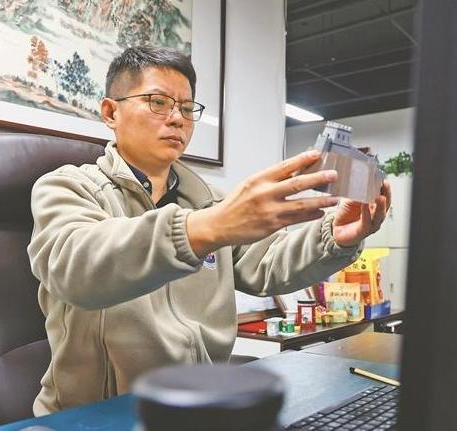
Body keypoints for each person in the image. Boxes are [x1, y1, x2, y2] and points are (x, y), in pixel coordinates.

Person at [27, 46, 391, 415]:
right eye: (158, 102)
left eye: (187, 108)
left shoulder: (210, 201)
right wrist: (205, 229)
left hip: (199, 407)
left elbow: (267, 261)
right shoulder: (68, 187)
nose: (177, 119)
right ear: (111, 112)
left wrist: (334, 237)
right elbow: (75, 267)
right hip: (95, 415)